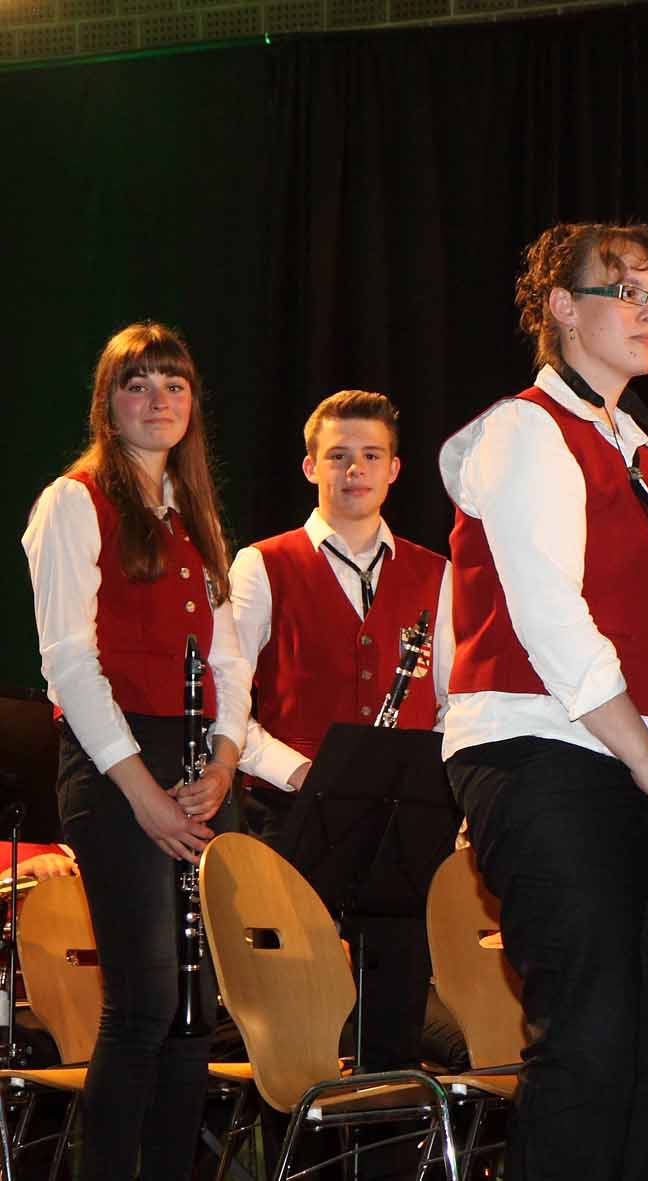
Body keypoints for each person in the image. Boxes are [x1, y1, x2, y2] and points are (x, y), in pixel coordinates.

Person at [438, 221, 648, 1181]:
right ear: (563, 308)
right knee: (591, 1035)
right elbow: (551, 619)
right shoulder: (524, 430)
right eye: (627, 293)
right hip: (546, 755)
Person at [21, 322, 247, 1181]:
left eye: (174, 384)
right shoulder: (72, 500)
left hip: (196, 766)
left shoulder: (192, 513)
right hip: (115, 764)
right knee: (146, 1002)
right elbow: (68, 663)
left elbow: (230, 661)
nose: (158, 400)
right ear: (107, 403)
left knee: (195, 1013)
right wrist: (145, 793)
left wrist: (223, 762)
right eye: (138, 384)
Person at [229, 388, 453, 1072]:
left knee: (394, 1021)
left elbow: (454, 702)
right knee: (298, 1029)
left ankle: (385, 1135)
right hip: (290, 817)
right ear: (310, 467)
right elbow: (226, 704)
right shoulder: (261, 565)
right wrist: (299, 772)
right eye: (338, 455)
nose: (355, 469)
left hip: (400, 827)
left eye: (371, 456)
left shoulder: (437, 573)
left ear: (394, 469)